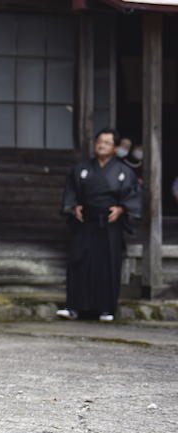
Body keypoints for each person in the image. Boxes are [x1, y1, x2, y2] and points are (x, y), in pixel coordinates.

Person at [58, 128, 140, 322]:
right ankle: (73, 307)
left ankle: (107, 309)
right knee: (78, 262)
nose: (102, 145)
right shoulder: (81, 169)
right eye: (99, 142)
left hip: (110, 223)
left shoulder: (124, 172)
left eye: (107, 142)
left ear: (115, 148)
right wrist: (74, 206)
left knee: (108, 264)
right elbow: (71, 192)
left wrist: (121, 209)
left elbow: (133, 196)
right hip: (85, 221)